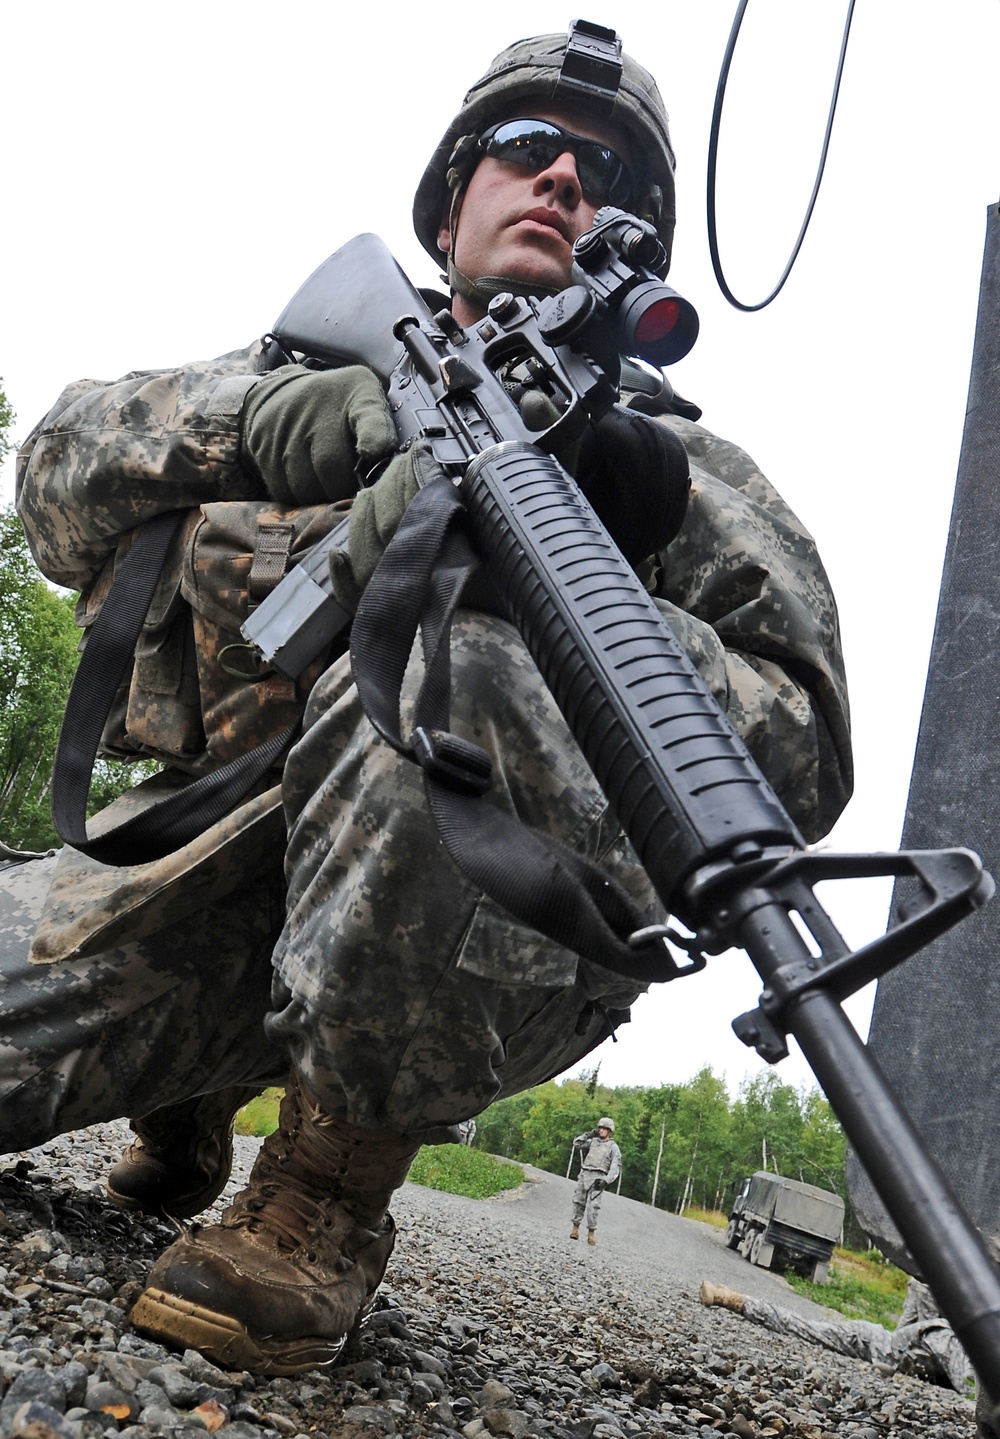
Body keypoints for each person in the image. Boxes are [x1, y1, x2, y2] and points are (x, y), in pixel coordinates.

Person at [4, 21, 852, 1375]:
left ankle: (323, 1190)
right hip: (186, 888)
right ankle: (195, 1086)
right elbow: (49, 489)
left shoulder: (681, 471)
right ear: (453, 198)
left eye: (612, 172)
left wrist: (589, 568)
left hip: (461, 930)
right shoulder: (307, 372)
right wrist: (282, 424)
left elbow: (804, 745)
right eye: (529, 150)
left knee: (453, 654)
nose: (569, 181)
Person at [699, 1278, 974, 1398]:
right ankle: (732, 1299)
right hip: (868, 1340)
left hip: (888, 1343)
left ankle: (734, 1296)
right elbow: (972, 1389)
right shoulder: (949, 1338)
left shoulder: (957, 1337)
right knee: (803, 1328)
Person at [570, 1118, 620, 1244]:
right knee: (578, 1202)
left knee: (593, 1207)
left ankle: (591, 1233)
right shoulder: (592, 1142)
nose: (601, 1130)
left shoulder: (613, 1147)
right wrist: (588, 1135)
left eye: (604, 1128)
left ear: (609, 1131)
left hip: (598, 1178)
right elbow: (576, 1144)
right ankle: (575, 1228)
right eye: (600, 1128)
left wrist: (606, 1180)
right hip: (585, 1173)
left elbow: (615, 1167)